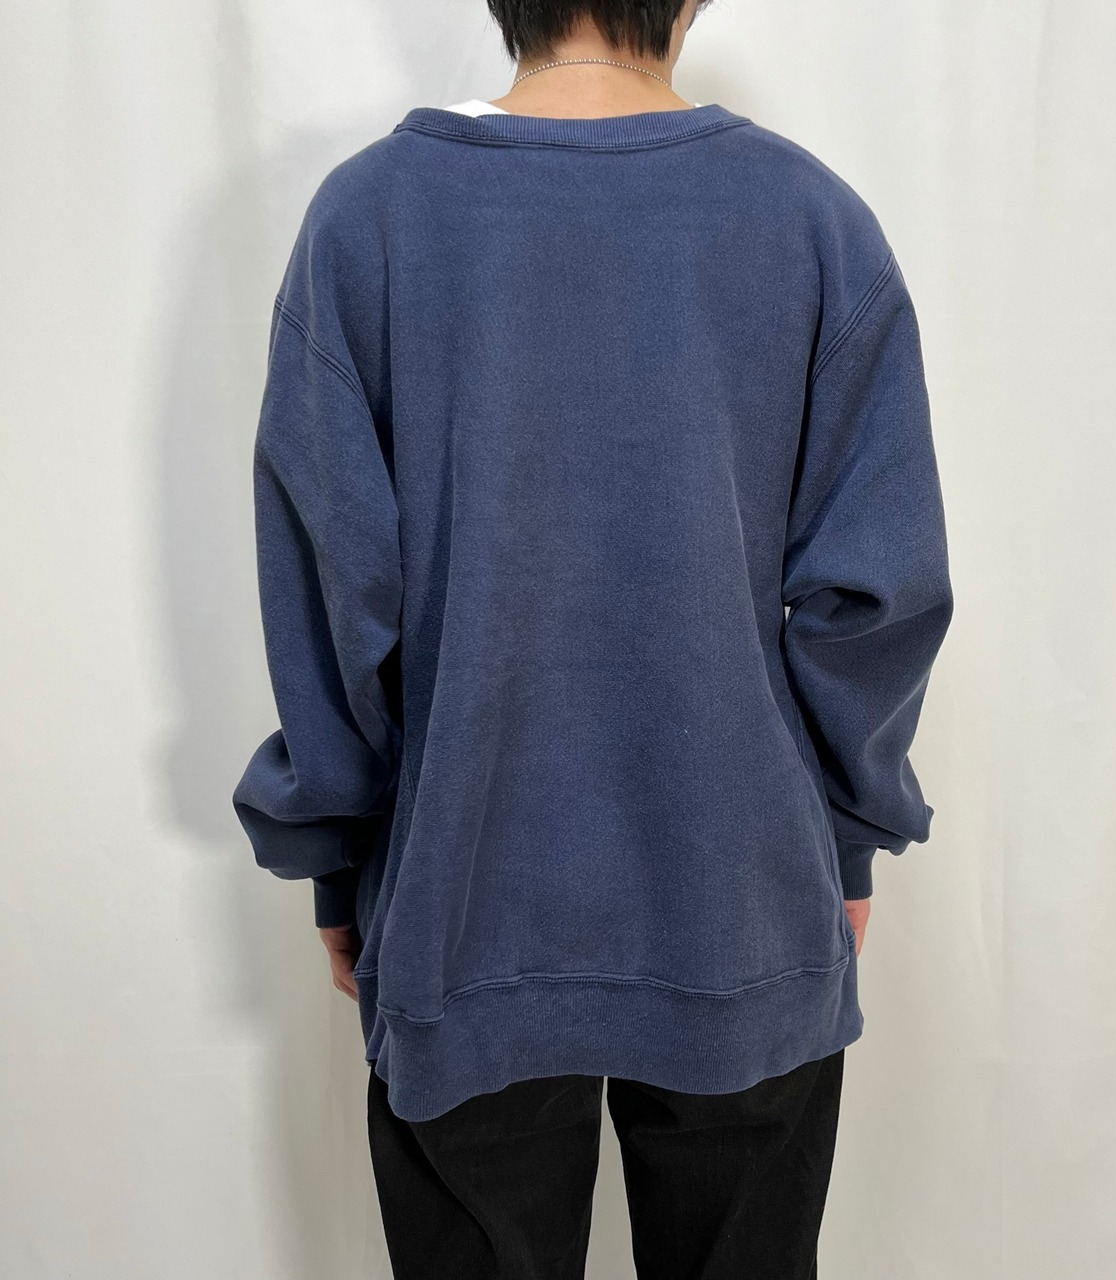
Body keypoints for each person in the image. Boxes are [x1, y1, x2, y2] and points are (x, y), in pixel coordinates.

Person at [231, 0, 954, 1274]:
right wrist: (844, 836)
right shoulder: (810, 221)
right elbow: (873, 596)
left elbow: (332, 588)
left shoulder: (369, 221)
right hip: (742, 900)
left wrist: (340, 856)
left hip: (461, 905)